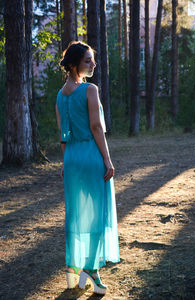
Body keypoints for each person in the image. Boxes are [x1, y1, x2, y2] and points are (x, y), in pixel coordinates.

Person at [56, 41, 120, 295]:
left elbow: (63, 134)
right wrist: (107, 159)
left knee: (75, 213)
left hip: (71, 157)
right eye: (87, 60)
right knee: (96, 213)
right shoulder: (89, 90)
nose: (93, 64)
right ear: (74, 65)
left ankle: (73, 267)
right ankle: (91, 269)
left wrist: (65, 161)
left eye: (92, 59)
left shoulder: (61, 95)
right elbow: (96, 127)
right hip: (91, 155)